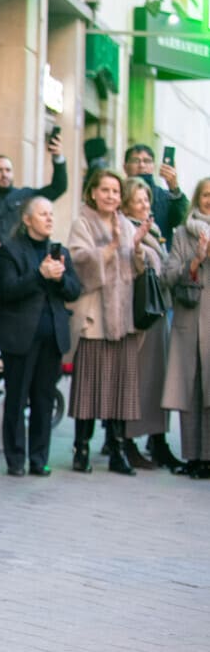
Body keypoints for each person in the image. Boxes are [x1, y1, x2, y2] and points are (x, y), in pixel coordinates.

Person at [0, 197, 81, 476]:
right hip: (20, 338)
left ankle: (39, 459)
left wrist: (60, 278)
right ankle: (15, 459)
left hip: (52, 338)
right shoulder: (10, 250)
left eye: (51, 214)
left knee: (44, 400)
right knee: (17, 398)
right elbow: (8, 288)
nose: (49, 219)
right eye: (42, 214)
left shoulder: (59, 251)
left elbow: (75, 290)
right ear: (27, 220)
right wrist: (39, 275)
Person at [67, 169, 148, 475]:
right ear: (92, 193)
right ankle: (81, 448)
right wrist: (110, 249)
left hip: (122, 316)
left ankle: (117, 449)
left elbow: (137, 270)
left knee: (120, 386)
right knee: (89, 386)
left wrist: (137, 248)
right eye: (105, 190)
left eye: (115, 191)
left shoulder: (126, 224)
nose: (111, 196)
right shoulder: (82, 222)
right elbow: (77, 261)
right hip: (95, 316)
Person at [120, 178, 183, 471]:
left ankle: (158, 441)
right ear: (126, 204)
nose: (145, 205)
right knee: (137, 382)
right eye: (139, 200)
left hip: (158, 313)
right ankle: (128, 441)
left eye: (147, 200)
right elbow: (133, 265)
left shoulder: (154, 231)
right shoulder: (126, 229)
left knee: (157, 381)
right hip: (139, 315)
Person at [160, 176, 210, 480]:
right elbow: (167, 276)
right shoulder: (182, 233)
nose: (209, 200)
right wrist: (195, 261)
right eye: (205, 194)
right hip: (189, 320)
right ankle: (193, 457)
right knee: (190, 391)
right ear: (197, 198)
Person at [0, 134, 68, 243]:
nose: (4, 175)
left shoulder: (26, 196)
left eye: (8, 170)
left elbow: (58, 188)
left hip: (19, 257)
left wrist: (58, 158)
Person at [123, 144, 188, 246]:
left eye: (147, 161)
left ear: (154, 166)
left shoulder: (165, 196)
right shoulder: (117, 194)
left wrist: (174, 188)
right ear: (125, 167)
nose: (141, 165)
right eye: (135, 161)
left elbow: (182, 221)